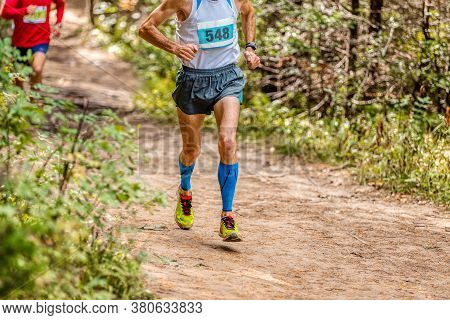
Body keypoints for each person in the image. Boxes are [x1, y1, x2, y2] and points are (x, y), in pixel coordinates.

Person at [139, 0, 260, 241]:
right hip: (193, 81)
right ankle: (185, 189)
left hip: (228, 77)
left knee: (227, 142)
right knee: (191, 150)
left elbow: (249, 12)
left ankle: (227, 216)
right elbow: (146, 27)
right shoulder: (185, 1)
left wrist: (250, 47)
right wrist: (174, 47)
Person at [1, 0, 65, 87]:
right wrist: (24, 11)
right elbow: (5, 13)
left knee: (37, 69)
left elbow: (61, 4)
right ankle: (21, 98)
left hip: (41, 39)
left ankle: (35, 98)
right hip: (20, 42)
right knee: (18, 77)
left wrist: (58, 22)